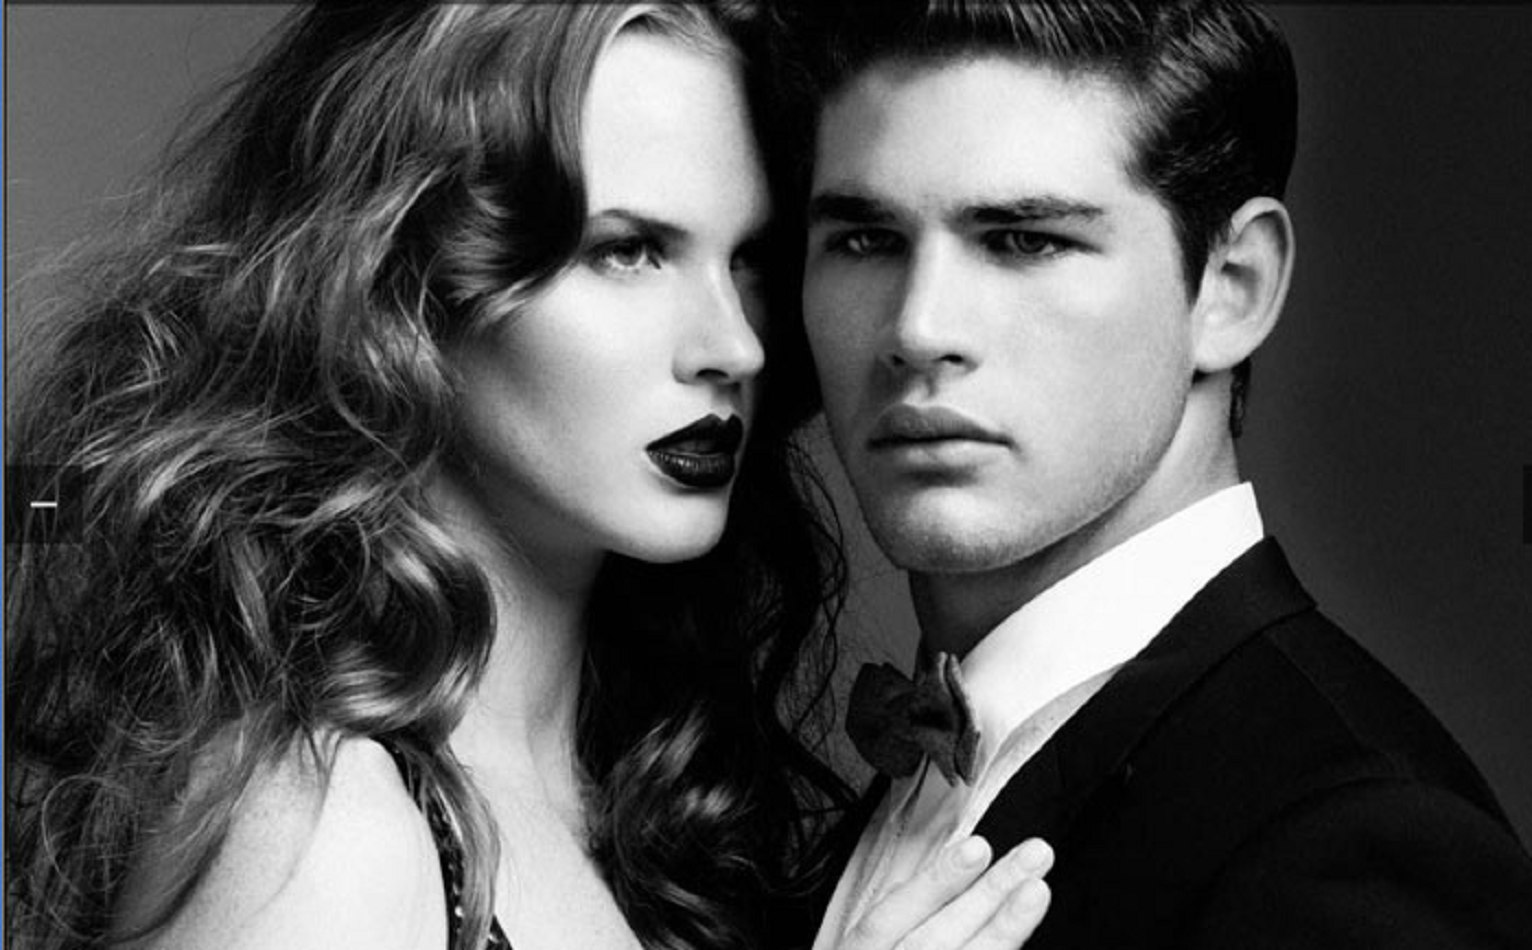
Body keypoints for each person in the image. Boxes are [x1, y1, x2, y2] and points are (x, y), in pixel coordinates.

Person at [4, 4, 1054, 950]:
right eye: (628, 251)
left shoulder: (642, 792)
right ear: (409, 284)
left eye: (746, 261)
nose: (732, 345)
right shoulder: (328, 829)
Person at [785, 1, 1532, 947]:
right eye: (864, 241)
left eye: (1025, 240)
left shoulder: (1355, 843)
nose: (918, 329)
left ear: (1233, 287)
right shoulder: (908, 783)